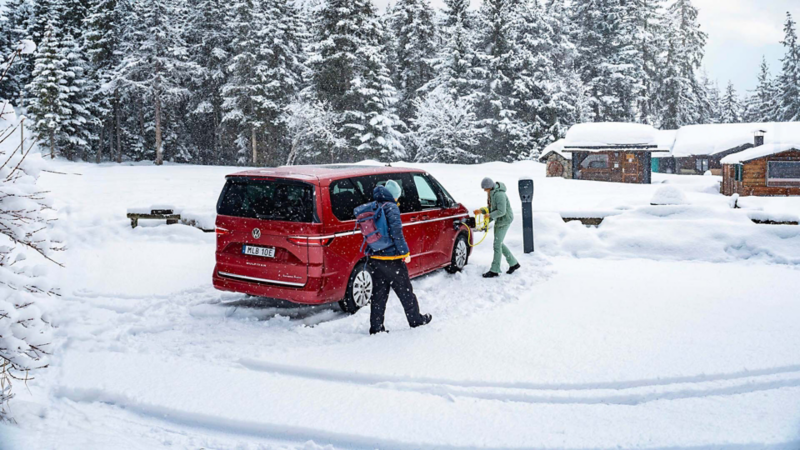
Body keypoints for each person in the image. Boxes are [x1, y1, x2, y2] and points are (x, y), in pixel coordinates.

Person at [368, 180, 432, 335]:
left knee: (379, 294)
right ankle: (416, 320)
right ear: (394, 195)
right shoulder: (391, 208)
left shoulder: (374, 205)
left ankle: (376, 327)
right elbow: (397, 233)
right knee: (405, 291)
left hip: (375, 257)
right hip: (392, 260)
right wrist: (405, 253)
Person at [473, 177, 520, 278]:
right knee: (499, 244)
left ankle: (495, 270)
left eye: (485, 189)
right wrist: (481, 211)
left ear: (490, 187)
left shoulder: (499, 194)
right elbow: (491, 208)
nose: (485, 191)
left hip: (505, 220)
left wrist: (489, 216)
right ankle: (513, 263)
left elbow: (501, 211)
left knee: (497, 245)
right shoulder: (492, 193)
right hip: (499, 220)